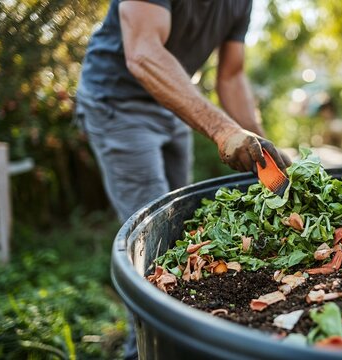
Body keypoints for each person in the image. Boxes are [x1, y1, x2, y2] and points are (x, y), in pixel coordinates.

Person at [74, 1, 290, 358]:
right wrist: (221, 129)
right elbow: (143, 52)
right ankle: (140, 350)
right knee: (153, 244)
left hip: (172, 101)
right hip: (118, 100)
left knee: (180, 232)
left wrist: (263, 146)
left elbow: (232, 76)